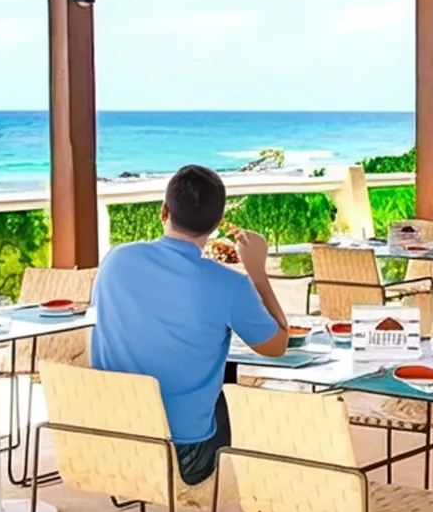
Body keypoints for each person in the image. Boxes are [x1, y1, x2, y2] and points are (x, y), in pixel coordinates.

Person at [90, 164, 288, 485]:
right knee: (255, 408)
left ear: (163, 212)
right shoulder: (228, 284)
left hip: (108, 434)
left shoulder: (115, 260)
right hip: (182, 454)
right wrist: (257, 274)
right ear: (215, 225)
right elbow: (277, 346)